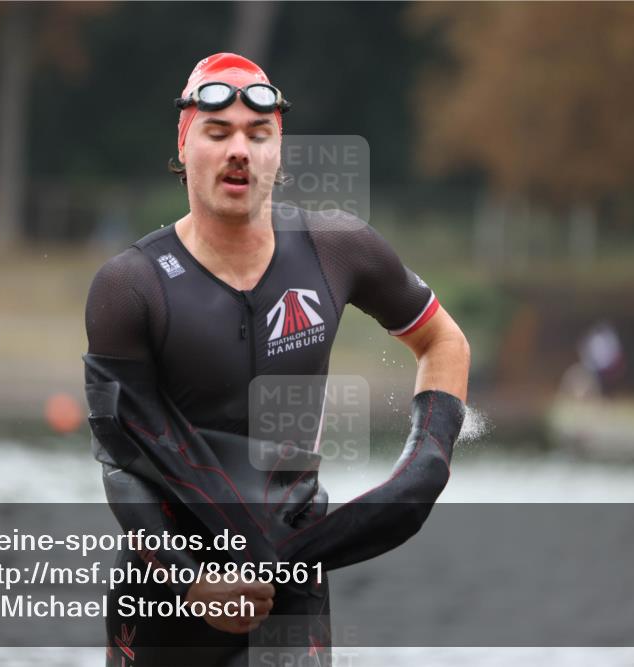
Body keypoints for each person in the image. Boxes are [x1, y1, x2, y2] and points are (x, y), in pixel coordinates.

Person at [84, 52, 470, 666]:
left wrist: (429, 455)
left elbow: (443, 341)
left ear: (278, 153)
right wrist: (190, 579)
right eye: (218, 133)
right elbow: (122, 462)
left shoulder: (336, 248)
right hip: (168, 596)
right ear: (184, 148)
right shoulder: (131, 286)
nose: (239, 150)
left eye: (258, 134)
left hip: (292, 576)